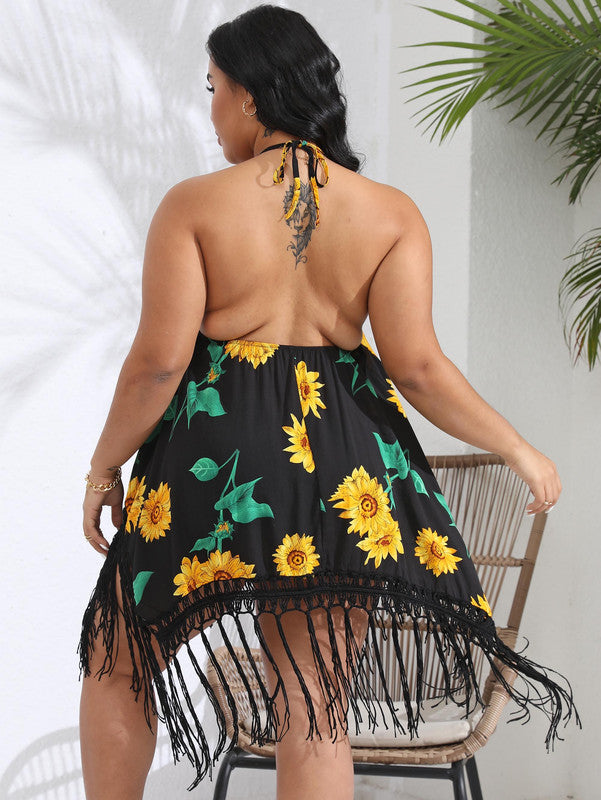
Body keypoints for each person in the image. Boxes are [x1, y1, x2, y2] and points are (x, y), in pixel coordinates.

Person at [77, 4, 579, 799]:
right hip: (342, 461)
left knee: (119, 657)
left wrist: (104, 467)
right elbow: (417, 367)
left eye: (213, 89)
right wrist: (517, 447)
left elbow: (158, 364)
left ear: (248, 95)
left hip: (218, 451)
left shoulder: (195, 205)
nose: (211, 111)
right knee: (313, 700)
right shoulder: (388, 212)